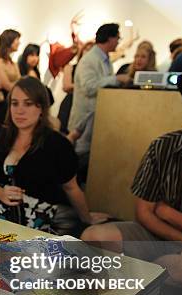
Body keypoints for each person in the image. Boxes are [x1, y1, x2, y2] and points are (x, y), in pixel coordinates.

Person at [81, 59, 182, 288]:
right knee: (94, 237)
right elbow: (144, 213)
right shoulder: (163, 146)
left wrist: (167, 212)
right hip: (164, 237)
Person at [0, 77, 108, 235]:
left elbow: (71, 188)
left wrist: (87, 218)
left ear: (41, 108)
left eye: (28, 104)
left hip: (37, 211)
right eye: (14, 103)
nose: (19, 110)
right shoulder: (2, 137)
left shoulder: (57, 144)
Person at [68, 23, 130, 183]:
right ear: (109, 38)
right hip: (84, 121)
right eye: (117, 37)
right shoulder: (90, 60)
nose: (118, 41)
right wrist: (115, 79)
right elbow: (89, 87)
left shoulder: (104, 59)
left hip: (95, 120)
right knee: (79, 166)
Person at [17, 43, 61, 130]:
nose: (35, 58)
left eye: (37, 55)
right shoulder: (20, 73)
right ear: (26, 56)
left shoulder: (35, 72)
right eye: (32, 55)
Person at [0, 29, 21, 139]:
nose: (19, 42)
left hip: (13, 101)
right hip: (2, 104)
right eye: (17, 40)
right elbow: (7, 85)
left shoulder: (12, 62)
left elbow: (20, 82)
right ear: (9, 41)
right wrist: (16, 85)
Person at [58, 41, 95, 134]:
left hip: (87, 106)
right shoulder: (70, 67)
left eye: (92, 50)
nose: (89, 52)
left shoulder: (95, 72)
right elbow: (66, 86)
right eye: (87, 49)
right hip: (70, 103)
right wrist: (88, 85)